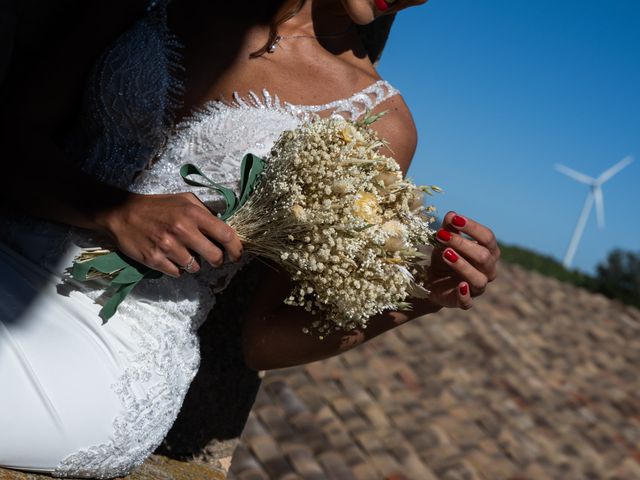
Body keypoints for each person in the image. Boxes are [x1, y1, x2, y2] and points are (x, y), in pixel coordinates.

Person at [0, 0, 500, 477]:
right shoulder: (160, 2)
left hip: (103, 354)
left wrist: (417, 296)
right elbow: (12, 136)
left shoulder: (379, 123)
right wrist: (114, 210)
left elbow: (263, 341)